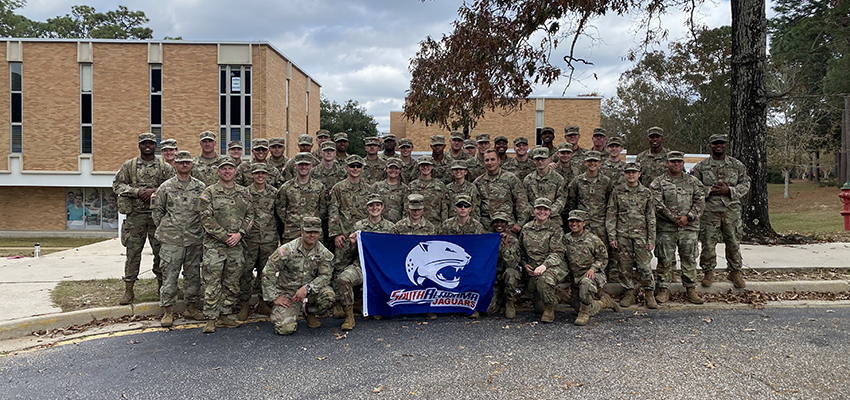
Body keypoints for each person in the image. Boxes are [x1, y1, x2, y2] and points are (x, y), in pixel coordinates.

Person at [113, 133, 175, 305]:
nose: (147, 146)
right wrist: (137, 192)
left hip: (158, 218)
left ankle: (161, 288)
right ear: (139, 145)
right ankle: (129, 291)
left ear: (155, 146)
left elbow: (174, 186)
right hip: (135, 217)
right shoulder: (129, 166)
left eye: (150, 143)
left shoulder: (165, 168)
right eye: (144, 143)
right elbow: (117, 185)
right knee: (133, 254)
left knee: (161, 254)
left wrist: (154, 191)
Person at [197, 158, 254, 333]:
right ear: (218, 172)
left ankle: (224, 315)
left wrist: (240, 234)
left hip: (236, 245)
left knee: (232, 282)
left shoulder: (244, 192)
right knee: (212, 281)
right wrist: (223, 236)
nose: (227, 171)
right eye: (224, 169)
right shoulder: (209, 192)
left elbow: (250, 215)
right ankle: (210, 318)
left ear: (235, 171)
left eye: (230, 168)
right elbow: (205, 217)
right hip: (215, 246)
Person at [151, 150, 206, 326]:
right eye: (181, 162)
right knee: (169, 276)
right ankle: (168, 311)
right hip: (172, 239)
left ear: (192, 165)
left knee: (192, 276)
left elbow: (205, 212)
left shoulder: (200, 187)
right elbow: (158, 212)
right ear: (175, 164)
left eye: (187, 162)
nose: (184, 165)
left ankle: (191, 308)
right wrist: (168, 229)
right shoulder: (165, 187)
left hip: (194, 238)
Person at [692, 134, 751, 289]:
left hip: (731, 210)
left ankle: (735, 271)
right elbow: (693, 186)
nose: (718, 145)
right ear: (710, 146)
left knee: (733, 242)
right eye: (715, 143)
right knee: (708, 243)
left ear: (725, 145)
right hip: (710, 210)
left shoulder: (736, 165)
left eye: (721, 143)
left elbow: (746, 183)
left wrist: (729, 190)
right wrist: (709, 190)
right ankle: (708, 272)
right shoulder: (701, 167)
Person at [262, 217, 335, 335]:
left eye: (315, 232)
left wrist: (308, 288)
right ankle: (288, 311)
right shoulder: (287, 249)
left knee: (328, 296)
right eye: (308, 231)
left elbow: (325, 276)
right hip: (289, 294)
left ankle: (309, 312)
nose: (312, 235)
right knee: (285, 329)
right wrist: (274, 297)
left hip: (310, 293)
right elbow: (268, 271)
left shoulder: (324, 253)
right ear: (302, 231)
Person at [650, 151, 705, 304]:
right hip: (666, 228)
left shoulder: (693, 182)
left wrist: (688, 217)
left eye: (679, 162)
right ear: (667, 163)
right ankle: (663, 289)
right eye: (673, 162)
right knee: (665, 259)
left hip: (689, 228)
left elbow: (700, 202)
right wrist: (673, 218)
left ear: (683, 163)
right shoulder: (659, 182)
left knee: (689, 259)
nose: (676, 164)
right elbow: (656, 203)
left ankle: (690, 289)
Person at [338, 193, 396, 330]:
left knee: (379, 316)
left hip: (382, 268)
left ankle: (378, 306)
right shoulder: (359, 226)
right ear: (367, 207)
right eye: (371, 205)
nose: (374, 208)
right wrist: (352, 243)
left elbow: (394, 251)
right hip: (362, 265)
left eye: (377, 205)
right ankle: (349, 315)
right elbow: (349, 254)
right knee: (344, 279)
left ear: (382, 207)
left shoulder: (391, 227)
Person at [606, 162, 657, 309]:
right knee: (624, 266)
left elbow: (651, 217)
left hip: (641, 235)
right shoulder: (618, 191)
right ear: (624, 174)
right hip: (623, 235)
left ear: (639, 174)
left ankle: (649, 293)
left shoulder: (646, 193)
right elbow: (611, 215)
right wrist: (612, 236)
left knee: (644, 266)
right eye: (628, 172)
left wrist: (651, 239)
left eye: (634, 172)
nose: (631, 175)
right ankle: (629, 293)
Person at [328, 154, 373, 317]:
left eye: (358, 166)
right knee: (340, 267)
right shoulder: (339, 188)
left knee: (362, 267)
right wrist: (336, 233)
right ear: (346, 168)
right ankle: (339, 303)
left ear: (362, 168)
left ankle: (358, 302)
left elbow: (374, 210)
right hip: (345, 236)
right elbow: (333, 211)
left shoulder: (369, 189)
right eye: (352, 166)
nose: (355, 169)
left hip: (362, 237)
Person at [238, 163, 279, 321]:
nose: (260, 176)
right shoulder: (244, 193)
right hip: (250, 238)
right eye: (257, 173)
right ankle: (244, 304)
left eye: (263, 173)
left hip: (269, 239)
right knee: (246, 272)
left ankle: (263, 302)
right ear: (252, 175)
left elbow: (279, 213)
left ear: (267, 175)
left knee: (266, 272)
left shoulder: (274, 193)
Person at [564, 210, 620, 326]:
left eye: (578, 221)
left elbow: (603, 258)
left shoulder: (593, 239)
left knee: (586, 284)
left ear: (584, 223)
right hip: (576, 277)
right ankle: (605, 302)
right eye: (572, 221)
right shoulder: (566, 239)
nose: (574, 224)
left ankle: (583, 314)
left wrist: (593, 268)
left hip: (593, 274)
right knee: (578, 305)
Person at [390, 194, 438, 319]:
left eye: (419, 209)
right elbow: (392, 247)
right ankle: (404, 307)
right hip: (404, 262)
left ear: (423, 209)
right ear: (408, 208)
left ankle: (428, 308)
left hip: (425, 264)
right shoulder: (399, 227)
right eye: (413, 209)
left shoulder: (430, 227)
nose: (416, 212)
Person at [519, 198, 568, 323]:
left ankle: (549, 309)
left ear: (550, 212)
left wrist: (545, 265)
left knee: (543, 280)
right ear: (533, 211)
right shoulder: (526, 228)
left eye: (545, 209)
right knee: (538, 306)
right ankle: (557, 296)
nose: (542, 212)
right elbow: (521, 250)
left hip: (552, 266)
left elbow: (558, 252)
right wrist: (525, 265)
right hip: (532, 268)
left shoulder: (555, 229)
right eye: (539, 209)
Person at [276, 152, 328, 243]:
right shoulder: (286, 187)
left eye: (306, 164)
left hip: (313, 232)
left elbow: (323, 209)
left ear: (311, 166)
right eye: (301, 164)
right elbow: (280, 209)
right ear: (295, 166)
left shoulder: (320, 187)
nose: (303, 167)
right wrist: (292, 221)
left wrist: (314, 220)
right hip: (292, 233)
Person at [474, 149, 530, 230]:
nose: (490, 163)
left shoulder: (510, 178)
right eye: (487, 160)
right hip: (486, 227)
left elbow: (521, 201)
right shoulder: (478, 182)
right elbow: (475, 206)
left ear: (498, 160)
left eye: (492, 159)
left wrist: (520, 224)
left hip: (507, 225)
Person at [490, 212, 522, 319]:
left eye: (502, 222)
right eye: (496, 222)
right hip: (494, 276)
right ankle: (498, 297)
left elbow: (512, 264)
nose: (499, 225)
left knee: (511, 273)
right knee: (489, 310)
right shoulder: (487, 239)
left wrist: (505, 246)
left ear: (507, 225)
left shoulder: (513, 240)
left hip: (508, 274)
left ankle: (510, 302)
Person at [524, 147, 567, 227]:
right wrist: (535, 213)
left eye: (543, 159)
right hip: (533, 220)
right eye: (537, 159)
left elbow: (561, 199)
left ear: (549, 159)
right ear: (534, 161)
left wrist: (547, 213)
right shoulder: (528, 179)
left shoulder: (558, 179)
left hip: (553, 220)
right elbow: (524, 200)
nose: (540, 162)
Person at [408, 155, 448, 227]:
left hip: (436, 224)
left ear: (432, 166)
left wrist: (444, 225)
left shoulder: (440, 185)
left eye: (428, 165)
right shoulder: (412, 185)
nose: (425, 167)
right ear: (419, 167)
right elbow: (407, 206)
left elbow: (444, 208)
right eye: (422, 165)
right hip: (416, 225)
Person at [370, 157, 409, 223]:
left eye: (396, 168)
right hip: (379, 224)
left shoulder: (404, 188)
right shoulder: (377, 186)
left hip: (397, 224)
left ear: (400, 170)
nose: (393, 170)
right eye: (390, 168)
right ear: (386, 169)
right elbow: (370, 205)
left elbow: (406, 210)